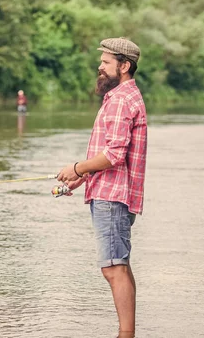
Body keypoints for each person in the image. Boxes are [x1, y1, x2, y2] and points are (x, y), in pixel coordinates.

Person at [56, 37, 147, 338]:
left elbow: (115, 154)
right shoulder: (122, 96)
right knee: (119, 264)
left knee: (113, 268)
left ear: (124, 66)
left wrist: (77, 167)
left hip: (112, 196)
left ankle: (125, 334)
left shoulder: (121, 100)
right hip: (112, 191)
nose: (100, 65)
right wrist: (83, 178)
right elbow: (112, 153)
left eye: (106, 62)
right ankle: (127, 332)